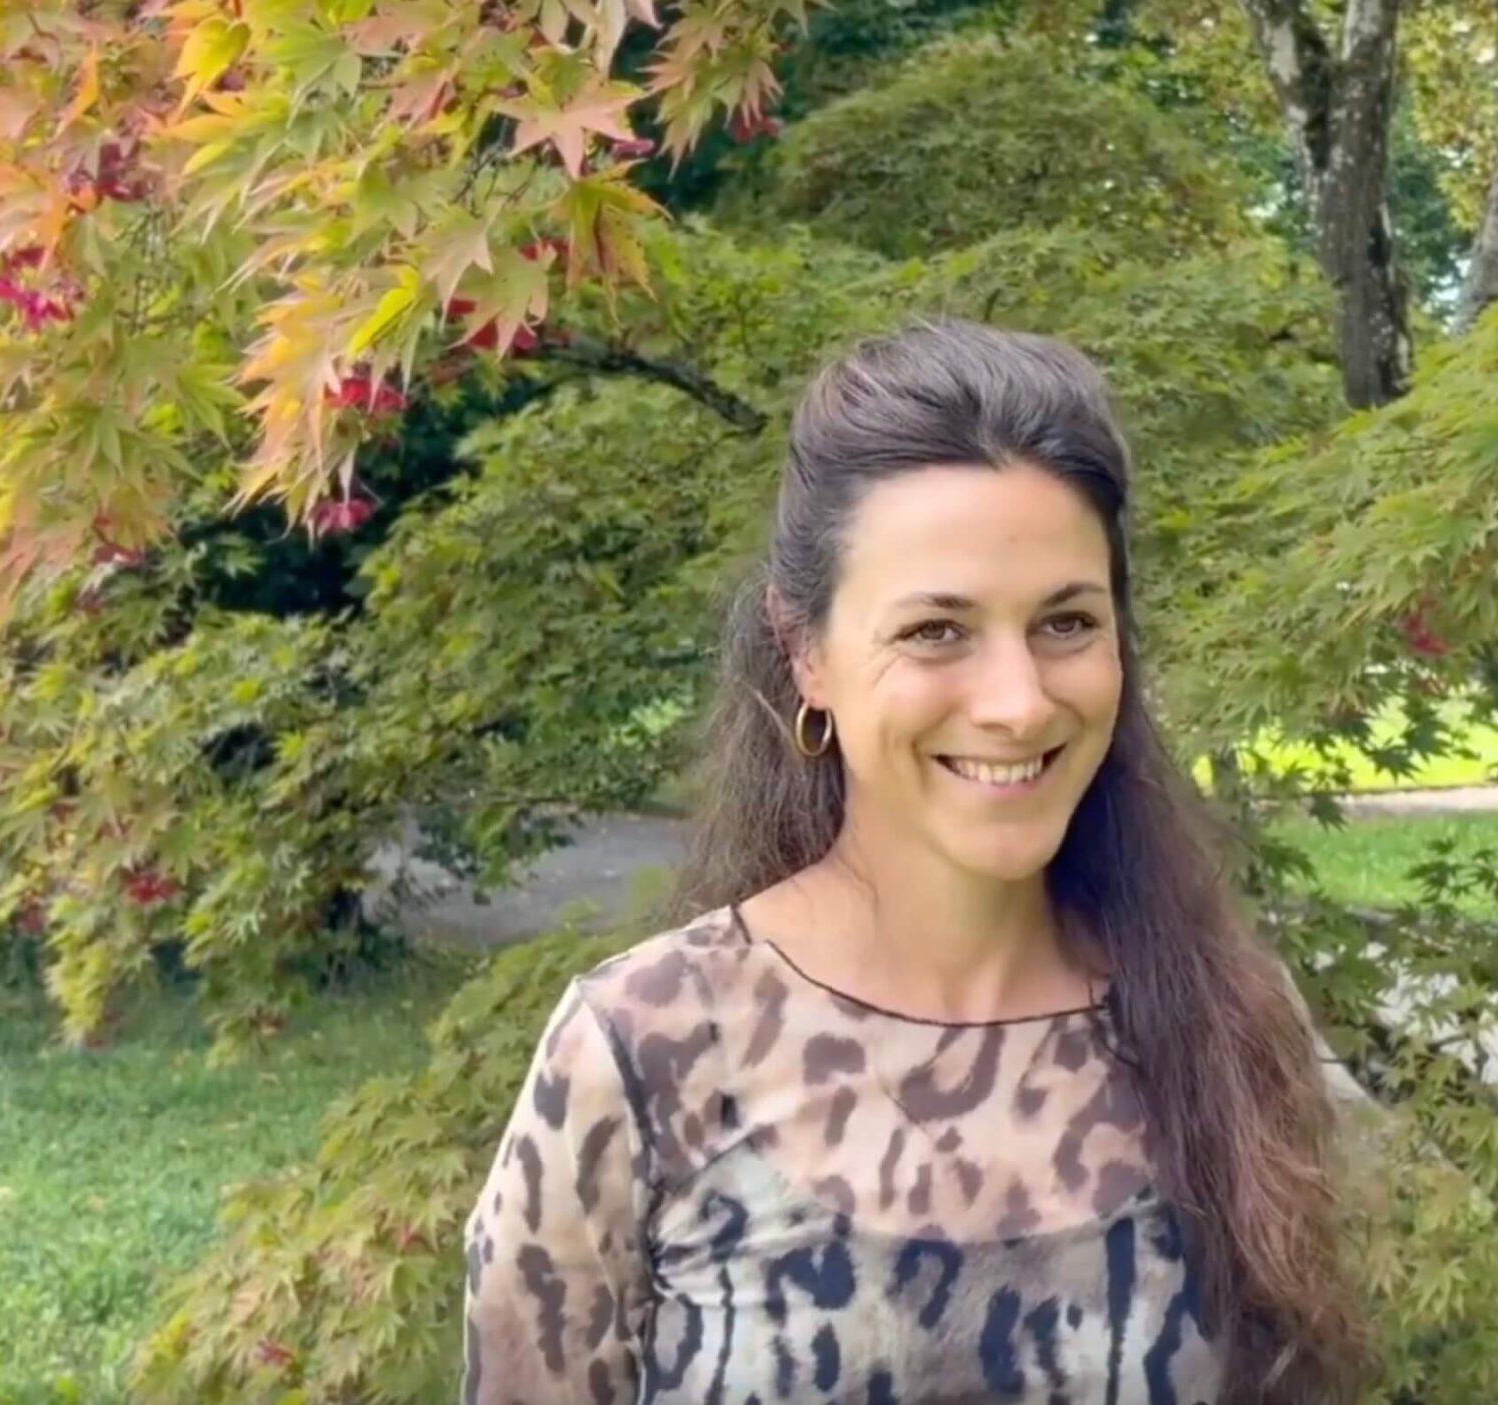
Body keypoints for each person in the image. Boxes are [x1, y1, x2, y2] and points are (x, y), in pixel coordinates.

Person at [461, 319, 1370, 1404]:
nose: (1018, 701)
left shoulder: (1228, 1019)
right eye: (937, 630)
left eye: (1066, 623)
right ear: (806, 651)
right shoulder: (643, 1053)